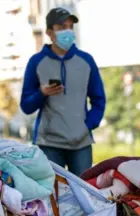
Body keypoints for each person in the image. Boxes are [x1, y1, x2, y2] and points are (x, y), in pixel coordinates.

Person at [20, 7, 106, 176]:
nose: (67, 31)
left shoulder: (86, 61)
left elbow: (99, 100)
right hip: (49, 143)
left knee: (83, 193)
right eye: (61, 27)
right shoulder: (36, 62)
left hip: (81, 143)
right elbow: (26, 106)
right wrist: (42, 94)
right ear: (49, 32)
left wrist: (87, 125)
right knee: (53, 194)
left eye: (69, 26)